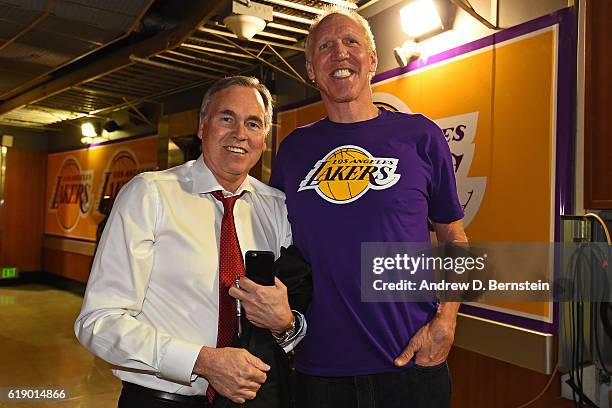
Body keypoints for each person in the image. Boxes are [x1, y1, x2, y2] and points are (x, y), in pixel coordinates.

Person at [269, 8, 468, 408]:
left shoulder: (420, 137)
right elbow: (276, 243)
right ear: (310, 69)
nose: (339, 53)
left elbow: (454, 236)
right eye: (325, 46)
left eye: (351, 42)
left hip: (412, 365)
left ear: (372, 60)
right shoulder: (293, 150)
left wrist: (447, 321)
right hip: (320, 372)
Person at [75, 76, 306, 408]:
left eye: (253, 123)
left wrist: (287, 324)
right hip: (161, 400)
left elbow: (290, 310)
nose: (240, 133)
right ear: (202, 127)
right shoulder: (150, 195)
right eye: (226, 118)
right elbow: (98, 322)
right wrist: (202, 361)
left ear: (264, 139)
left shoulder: (276, 206)